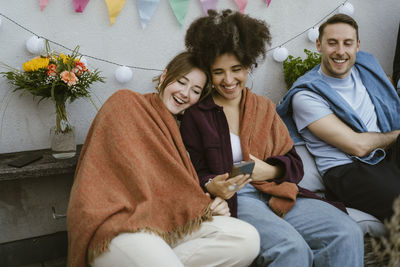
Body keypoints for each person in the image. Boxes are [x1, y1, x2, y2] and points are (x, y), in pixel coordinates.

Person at [181, 9, 363, 267]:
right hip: (238, 199)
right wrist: (211, 184)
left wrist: (272, 169)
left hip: (279, 192)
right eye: (219, 72)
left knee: (347, 233)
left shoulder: (263, 107)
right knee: (291, 248)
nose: (229, 80)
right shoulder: (196, 116)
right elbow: (188, 172)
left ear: (249, 66)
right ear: (209, 72)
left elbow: (294, 164)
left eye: (237, 69)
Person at [66, 51, 260, 267]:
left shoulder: (178, 129)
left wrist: (207, 206)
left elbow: (179, 185)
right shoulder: (126, 103)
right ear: (164, 76)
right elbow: (133, 177)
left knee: (246, 239)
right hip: (121, 223)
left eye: (195, 90)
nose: (185, 93)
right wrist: (200, 205)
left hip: (166, 222)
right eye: (181, 82)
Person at [277, 14, 400, 222]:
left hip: (385, 156)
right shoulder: (306, 95)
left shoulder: (366, 68)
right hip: (347, 171)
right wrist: (396, 135)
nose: (340, 51)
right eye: (332, 43)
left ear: (357, 46)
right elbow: (357, 147)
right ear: (319, 45)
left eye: (347, 43)